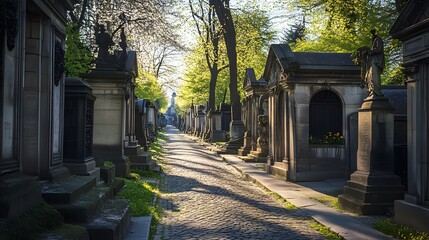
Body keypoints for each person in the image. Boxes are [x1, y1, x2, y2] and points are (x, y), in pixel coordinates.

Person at [366, 29, 385, 97]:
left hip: (376, 62)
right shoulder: (374, 41)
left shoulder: (378, 39)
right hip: (373, 62)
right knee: (371, 77)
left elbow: (379, 49)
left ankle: (377, 91)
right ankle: (372, 91)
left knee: (375, 77)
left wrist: (369, 51)